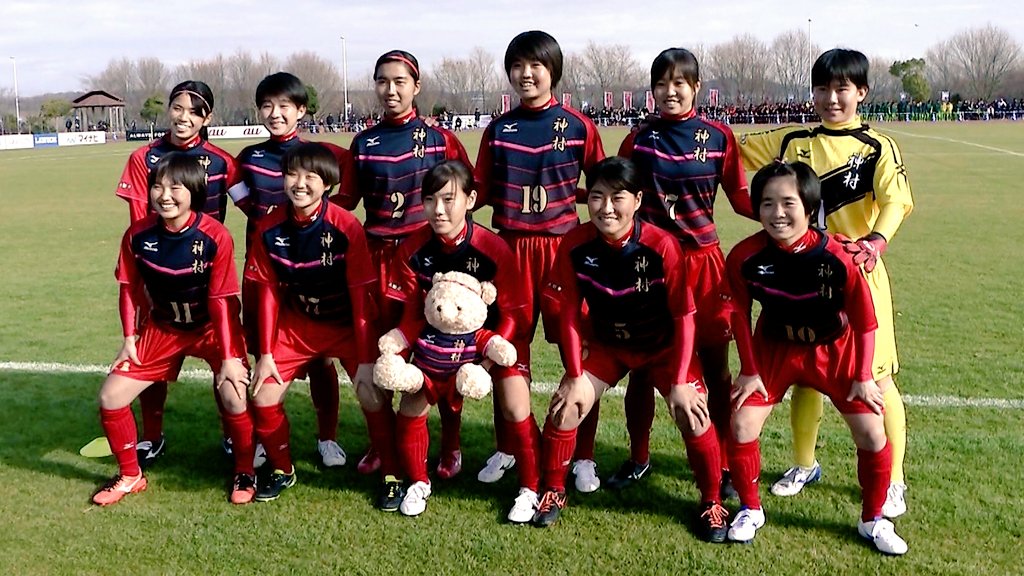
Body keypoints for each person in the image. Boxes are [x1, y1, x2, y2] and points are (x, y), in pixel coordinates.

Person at [737, 48, 914, 518]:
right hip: (798, 278)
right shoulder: (793, 140)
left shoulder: (876, 146)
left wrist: (875, 242)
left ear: (861, 93)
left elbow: (897, 201)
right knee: (805, 378)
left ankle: (893, 478)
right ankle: (803, 464)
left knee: (878, 381)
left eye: (842, 89)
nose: (831, 98)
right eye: (822, 88)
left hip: (857, 274)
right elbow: (730, 151)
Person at [573, 47, 754, 495]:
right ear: (651, 89)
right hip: (648, 267)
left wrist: (793, 220)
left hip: (703, 263)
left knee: (715, 368)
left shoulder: (718, 136)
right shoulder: (638, 139)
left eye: (679, 83)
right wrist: (561, 197)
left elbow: (739, 197)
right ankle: (639, 457)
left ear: (695, 87)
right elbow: (613, 193)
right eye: (661, 83)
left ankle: (726, 463)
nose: (670, 92)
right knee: (640, 365)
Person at [534, 157, 728, 541]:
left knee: (692, 411)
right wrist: (574, 376)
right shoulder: (575, 243)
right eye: (597, 197)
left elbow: (685, 317)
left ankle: (712, 501)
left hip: (661, 347)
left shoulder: (662, 245)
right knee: (566, 404)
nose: (606, 208)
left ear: (638, 200)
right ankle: (553, 489)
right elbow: (570, 312)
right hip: (608, 344)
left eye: (617, 197)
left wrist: (681, 380)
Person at [723, 160, 907, 555]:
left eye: (788, 203)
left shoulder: (839, 256)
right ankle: (750, 509)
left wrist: (862, 376)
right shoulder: (744, 256)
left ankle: (873, 519)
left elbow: (865, 320)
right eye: (767, 203)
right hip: (776, 348)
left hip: (834, 350)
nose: (777, 213)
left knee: (873, 432)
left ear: (809, 207)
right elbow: (738, 313)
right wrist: (750, 371)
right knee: (741, 424)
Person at [332, 50, 473, 489]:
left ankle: (450, 443)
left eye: (399, 81)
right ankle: (383, 442)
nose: (390, 90)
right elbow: (348, 200)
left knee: (442, 355)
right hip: (376, 261)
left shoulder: (440, 140)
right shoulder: (365, 143)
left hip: (427, 262)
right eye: (382, 82)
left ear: (416, 86)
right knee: (381, 354)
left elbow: (466, 195)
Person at [474, 30, 604, 491]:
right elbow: (480, 191)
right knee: (505, 349)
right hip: (509, 251)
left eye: (536, 65)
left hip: (563, 251)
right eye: (518, 65)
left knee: (581, 353)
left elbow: (603, 186)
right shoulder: (498, 130)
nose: (526, 74)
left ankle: (584, 456)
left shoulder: (579, 126)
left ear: (553, 71)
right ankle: (508, 446)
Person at [93, 153, 255, 506]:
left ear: (194, 191)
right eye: (157, 186)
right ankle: (130, 476)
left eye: (175, 187)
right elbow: (128, 288)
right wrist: (129, 338)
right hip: (164, 328)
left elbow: (222, 302)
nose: (164, 195)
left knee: (234, 393)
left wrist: (229, 358)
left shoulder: (215, 236)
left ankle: (245, 471)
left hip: (213, 328)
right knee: (111, 396)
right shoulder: (137, 235)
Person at [383, 160, 531, 517]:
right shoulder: (412, 249)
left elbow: (514, 314)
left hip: (491, 345)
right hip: (437, 347)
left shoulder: (493, 248)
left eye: (449, 199)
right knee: (410, 403)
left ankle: (532, 488)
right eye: (430, 199)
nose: (439, 209)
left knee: (514, 406)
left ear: (471, 199)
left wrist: (485, 362)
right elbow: (413, 313)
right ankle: (420, 481)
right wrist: (401, 349)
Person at [114, 80, 247, 470]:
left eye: (193, 111)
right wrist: (147, 271)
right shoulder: (144, 158)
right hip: (157, 272)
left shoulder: (223, 163)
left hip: (209, 276)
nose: (183, 117)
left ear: (207, 118)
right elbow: (139, 219)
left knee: (223, 359)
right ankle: (152, 438)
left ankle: (231, 434)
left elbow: (252, 209)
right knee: (149, 360)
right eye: (177, 108)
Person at [235, 72, 356, 469]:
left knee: (321, 358)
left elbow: (351, 182)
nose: (275, 113)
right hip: (267, 269)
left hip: (312, 268)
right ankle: (256, 436)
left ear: (301, 110)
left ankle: (327, 437)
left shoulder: (324, 153)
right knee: (261, 352)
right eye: (267, 106)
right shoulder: (248, 158)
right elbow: (242, 201)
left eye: (285, 106)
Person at [245, 142, 378, 503]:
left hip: (346, 325)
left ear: (328, 183)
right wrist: (266, 353)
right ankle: (281, 468)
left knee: (373, 392)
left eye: (311, 176)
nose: (299, 183)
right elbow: (269, 292)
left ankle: (391, 468)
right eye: (292, 174)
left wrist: (365, 358)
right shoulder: (269, 227)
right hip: (299, 324)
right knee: (263, 396)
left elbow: (360, 295)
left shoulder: (346, 225)